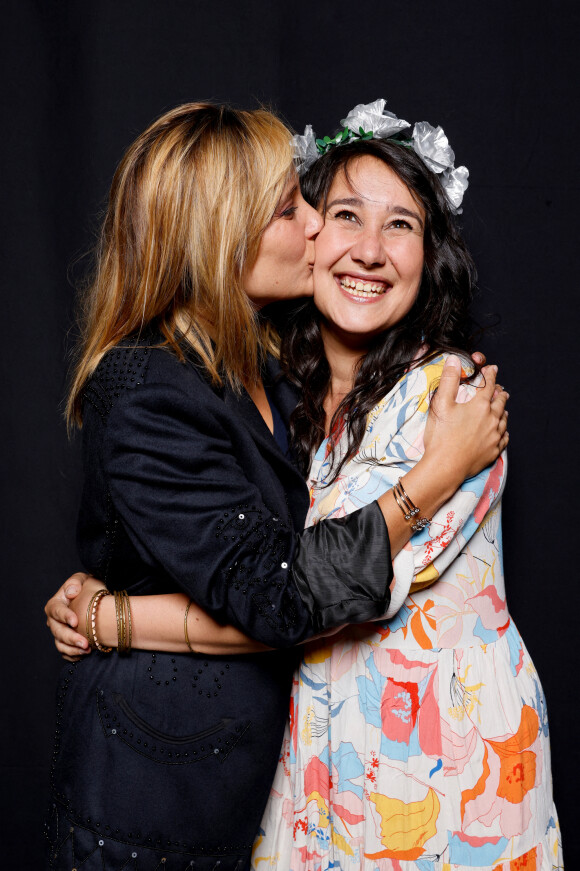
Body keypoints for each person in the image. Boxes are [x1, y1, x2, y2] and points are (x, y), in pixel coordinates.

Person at [43, 102, 508, 871]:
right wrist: (434, 475)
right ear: (224, 234)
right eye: (295, 209)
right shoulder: (146, 384)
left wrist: (112, 613)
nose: (321, 229)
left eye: (398, 225)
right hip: (158, 779)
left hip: (310, 776)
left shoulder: (270, 374)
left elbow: (278, 565)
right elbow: (280, 590)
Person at [249, 103, 562, 869]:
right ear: (306, 235)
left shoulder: (449, 393)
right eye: (347, 215)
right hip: (325, 755)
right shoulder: (285, 404)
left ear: (431, 259)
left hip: (446, 766)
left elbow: (324, 584)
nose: (369, 250)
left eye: (401, 226)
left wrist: (117, 617)